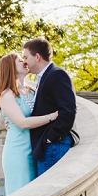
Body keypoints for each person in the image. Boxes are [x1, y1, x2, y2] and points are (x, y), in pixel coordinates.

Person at [0, 52, 59, 196]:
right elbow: (22, 123)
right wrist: (52, 117)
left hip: (36, 150)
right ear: (10, 68)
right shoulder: (7, 95)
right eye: (19, 60)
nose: (25, 62)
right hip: (18, 152)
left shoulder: (32, 91)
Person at [20, 38, 77, 176]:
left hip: (54, 146)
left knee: (51, 193)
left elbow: (68, 111)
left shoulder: (57, 75)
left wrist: (51, 138)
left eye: (26, 57)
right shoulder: (44, 77)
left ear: (37, 57)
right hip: (48, 147)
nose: (25, 62)